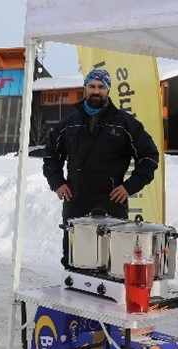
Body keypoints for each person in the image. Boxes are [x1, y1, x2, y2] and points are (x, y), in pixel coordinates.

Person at [42, 68, 160, 268]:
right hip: (75, 201)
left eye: (101, 87)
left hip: (110, 202)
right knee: (74, 256)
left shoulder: (125, 124)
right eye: (92, 86)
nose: (96, 91)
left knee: (112, 259)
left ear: (108, 90)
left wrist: (129, 187)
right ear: (85, 88)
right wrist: (57, 182)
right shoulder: (68, 125)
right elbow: (50, 155)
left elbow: (150, 156)